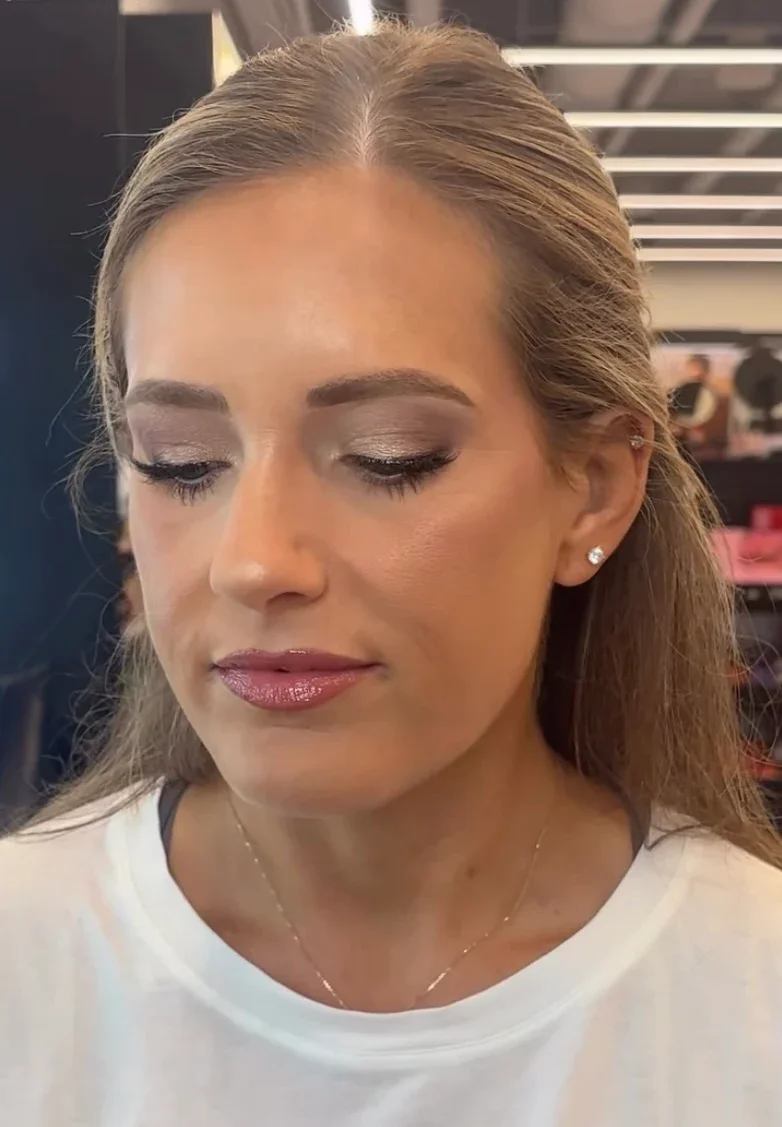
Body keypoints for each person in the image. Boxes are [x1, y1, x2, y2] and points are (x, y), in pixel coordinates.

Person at [2, 23, 782, 1126]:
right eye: (179, 463)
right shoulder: (28, 967)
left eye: (388, 458)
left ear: (595, 488)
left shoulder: (748, 1003)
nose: (255, 559)